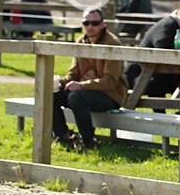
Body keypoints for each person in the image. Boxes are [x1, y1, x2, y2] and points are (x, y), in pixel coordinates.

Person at [52, 8, 128, 150]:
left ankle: (89, 142)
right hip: (87, 92)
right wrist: (58, 83)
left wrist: (81, 85)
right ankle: (62, 136)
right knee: (52, 94)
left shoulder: (112, 44)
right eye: (86, 23)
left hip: (111, 95)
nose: (90, 27)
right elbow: (73, 74)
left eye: (94, 23)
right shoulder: (81, 42)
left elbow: (110, 82)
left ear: (102, 25)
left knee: (76, 97)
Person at [125, 0, 180, 97]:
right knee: (158, 85)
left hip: (164, 74)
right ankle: (161, 113)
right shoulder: (167, 26)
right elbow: (163, 49)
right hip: (141, 75)